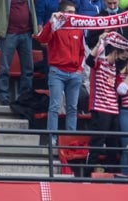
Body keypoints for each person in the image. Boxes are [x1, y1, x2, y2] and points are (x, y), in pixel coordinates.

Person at [36, 1, 87, 145]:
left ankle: (70, 140)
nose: (72, 15)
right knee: (54, 106)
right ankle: (52, 139)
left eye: (73, 12)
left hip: (74, 74)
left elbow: (83, 51)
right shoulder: (55, 26)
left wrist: (79, 70)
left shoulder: (78, 28)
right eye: (69, 12)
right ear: (62, 13)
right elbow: (42, 39)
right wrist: (51, 22)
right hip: (57, 72)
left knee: (72, 108)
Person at [0, 0, 39, 107]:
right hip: (9, 33)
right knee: (4, 67)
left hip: (26, 33)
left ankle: (25, 97)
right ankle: (3, 95)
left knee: (28, 69)